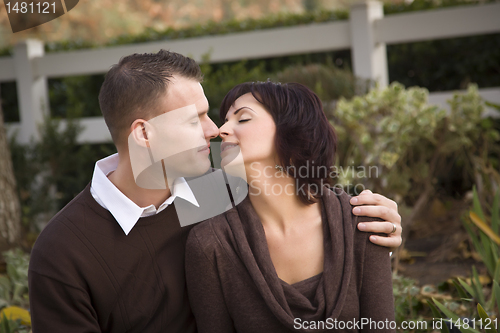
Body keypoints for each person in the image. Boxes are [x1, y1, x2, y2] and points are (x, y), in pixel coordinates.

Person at [28, 50, 401, 333]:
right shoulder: (64, 253)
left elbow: (299, 189)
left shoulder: (216, 192)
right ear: (144, 134)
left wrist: (381, 217)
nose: (214, 130)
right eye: (195, 119)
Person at [185, 81, 396, 332]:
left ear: (293, 131)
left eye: (242, 119)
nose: (222, 130)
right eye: (226, 120)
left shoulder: (361, 221)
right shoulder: (210, 244)